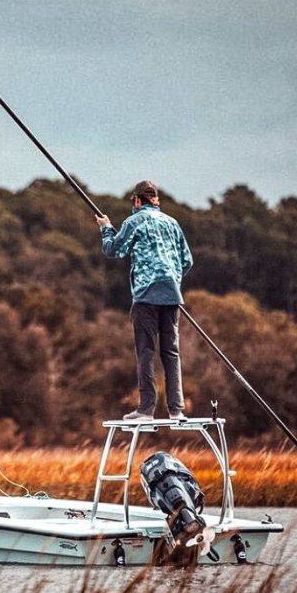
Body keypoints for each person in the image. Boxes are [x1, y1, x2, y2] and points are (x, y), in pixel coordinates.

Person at [96, 180, 193, 421]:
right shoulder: (172, 223)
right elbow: (187, 260)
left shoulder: (134, 221)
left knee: (146, 351)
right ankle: (176, 409)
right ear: (156, 199)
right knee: (171, 352)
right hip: (172, 295)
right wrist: (172, 279)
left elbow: (113, 250)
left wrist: (105, 227)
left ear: (137, 200)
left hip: (146, 295)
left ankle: (147, 408)